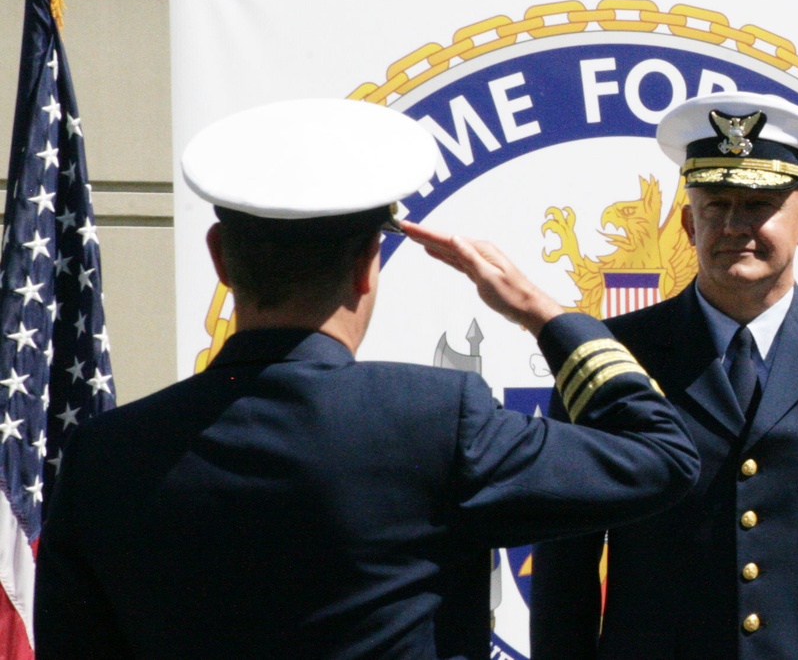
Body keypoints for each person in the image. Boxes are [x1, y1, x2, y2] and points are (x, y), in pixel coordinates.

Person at [33, 98, 700, 659]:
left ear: (221, 260)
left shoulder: (104, 456)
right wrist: (544, 312)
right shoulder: (432, 422)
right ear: (366, 266)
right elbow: (662, 454)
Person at [530, 92, 798, 659]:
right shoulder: (607, 355)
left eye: (759, 205)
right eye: (716, 205)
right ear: (688, 222)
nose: (734, 225)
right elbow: (564, 571)